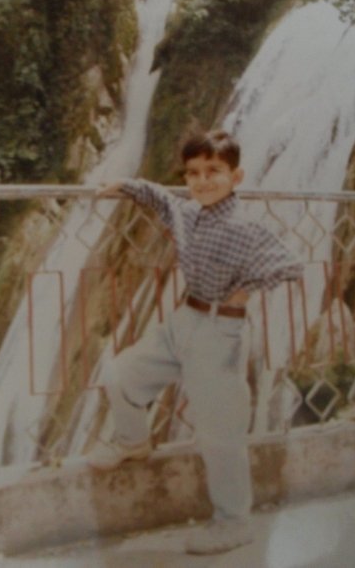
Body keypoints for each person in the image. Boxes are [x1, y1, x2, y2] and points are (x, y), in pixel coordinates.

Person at [90, 129, 303, 554]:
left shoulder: (247, 226)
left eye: (214, 172)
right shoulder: (187, 212)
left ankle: (234, 521)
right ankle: (134, 441)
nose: (203, 181)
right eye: (193, 173)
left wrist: (240, 294)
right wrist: (127, 186)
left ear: (236, 176)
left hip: (220, 331)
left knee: (219, 433)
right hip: (183, 320)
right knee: (119, 375)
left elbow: (290, 266)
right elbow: (160, 198)